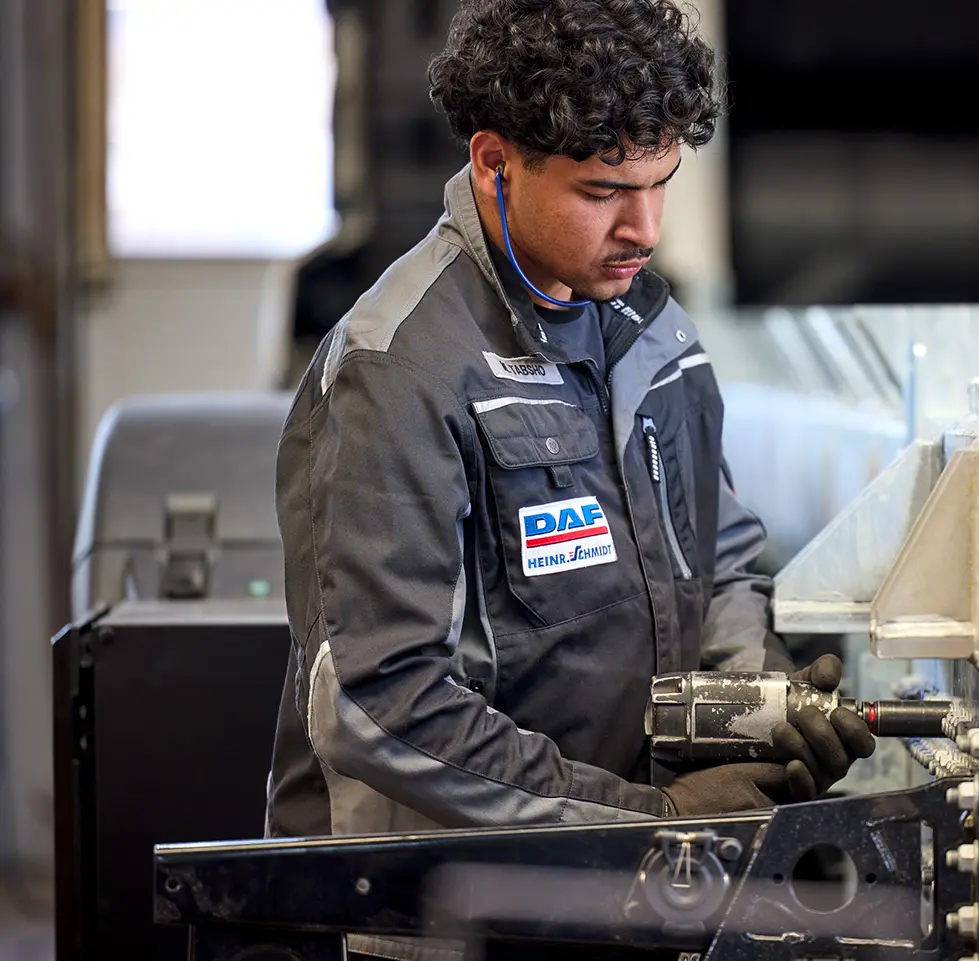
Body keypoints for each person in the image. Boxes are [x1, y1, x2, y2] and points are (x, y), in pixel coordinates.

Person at [261, 0, 875, 958]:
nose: (643, 228)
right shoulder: (401, 366)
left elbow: (719, 556)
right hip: (441, 917)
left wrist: (752, 705)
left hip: (622, 895)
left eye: (661, 183)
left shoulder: (653, 331)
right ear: (494, 162)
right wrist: (644, 813)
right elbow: (382, 702)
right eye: (602, 193)